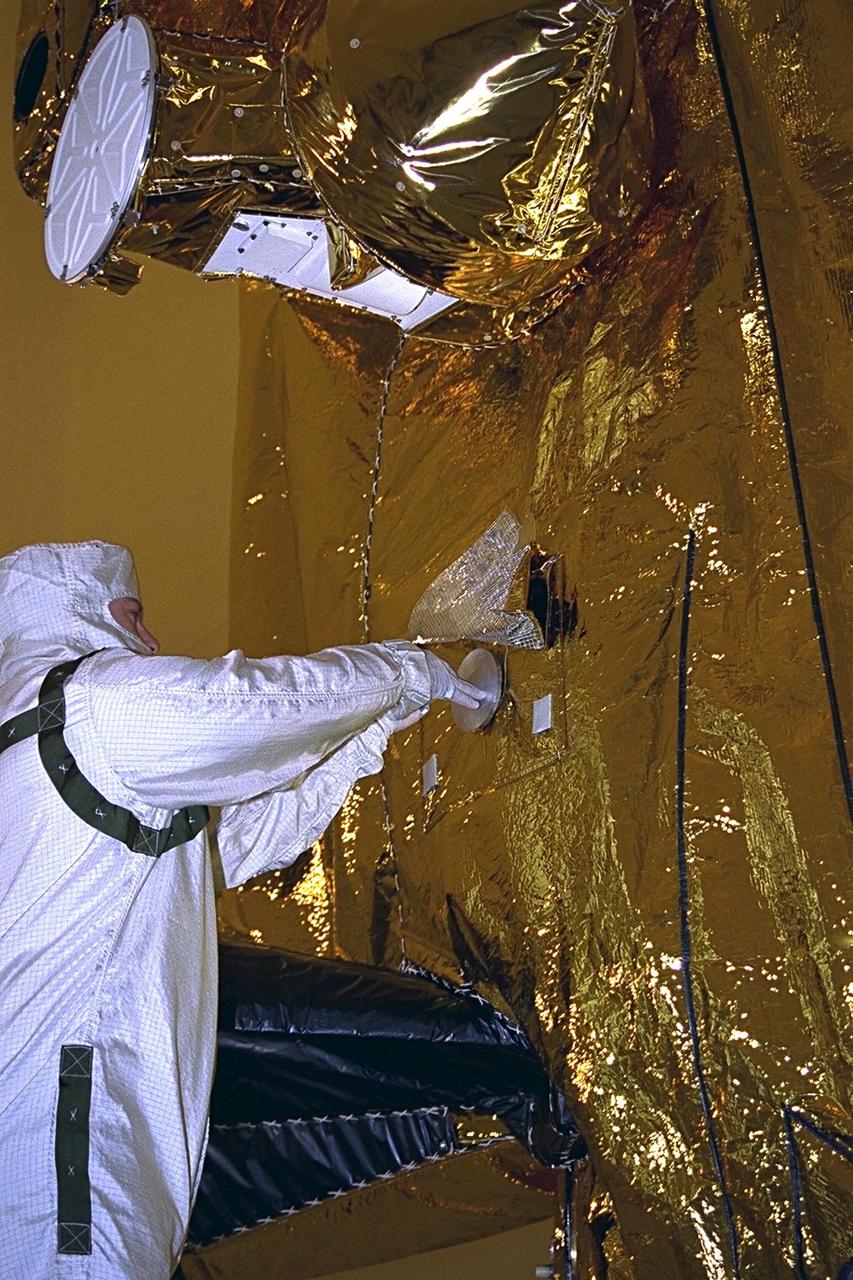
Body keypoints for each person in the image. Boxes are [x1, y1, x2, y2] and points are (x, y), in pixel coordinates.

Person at [0, 540, 480, 1280]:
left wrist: (368, 735)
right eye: (133, 617)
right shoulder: (95, 711)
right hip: (67, 1155)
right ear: (79, 614)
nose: (151, 641)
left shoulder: (29, 751)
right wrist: (406, 667)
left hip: (50, 1145)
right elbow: (258, 703)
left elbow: (215, 851)